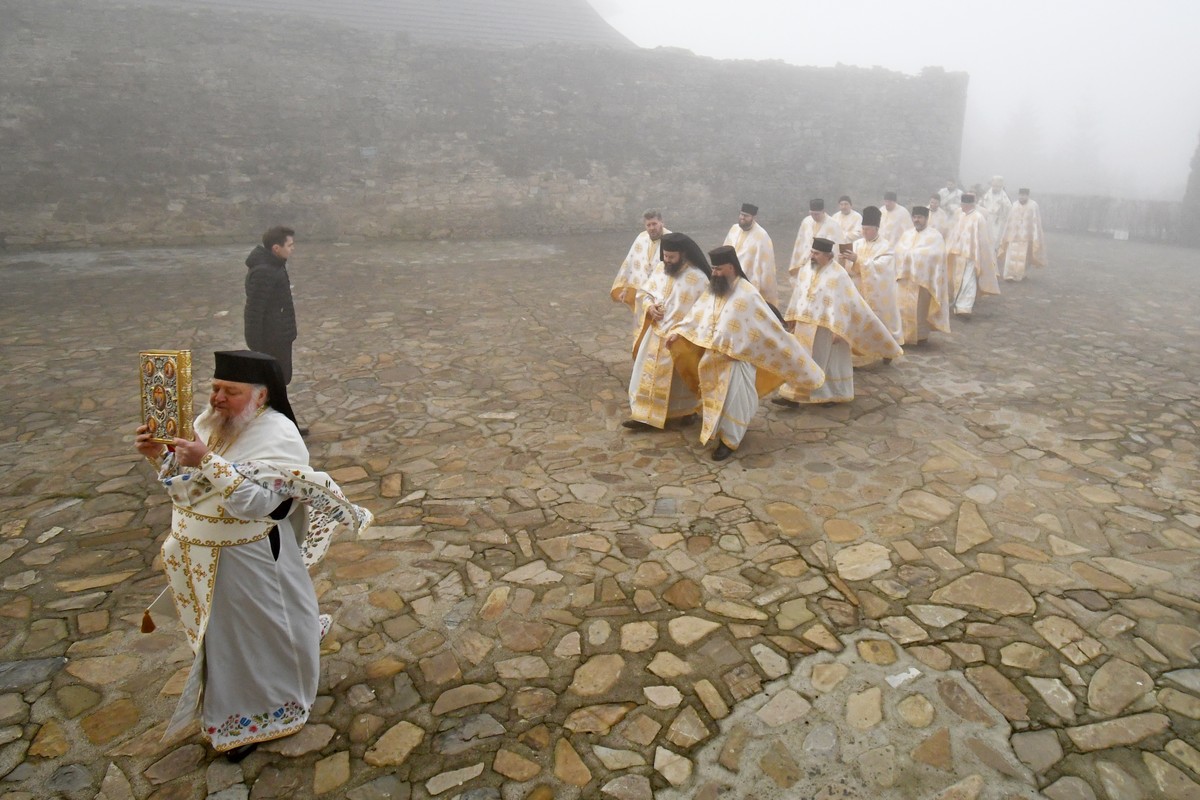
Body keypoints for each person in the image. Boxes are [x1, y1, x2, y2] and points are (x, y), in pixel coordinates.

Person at [134, 350, 371, 760]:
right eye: (215, 388)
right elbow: (189, 488)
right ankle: (234, 707)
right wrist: (160, 456)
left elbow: (262, 505)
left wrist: (207, 461)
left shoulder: (279, 434)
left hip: (251, 556)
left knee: (261, 637)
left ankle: (268, 712)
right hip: (207, 560)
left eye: (231, 391)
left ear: (260, 396)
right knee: (227, 642)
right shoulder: (209, 424)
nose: (218, 398)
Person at [667, 246, 823, 461]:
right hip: (713, 357)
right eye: (713, 269)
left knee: (735, 401)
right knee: (715, 398)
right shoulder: (715, 289)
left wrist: (739, 351)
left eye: (719, 269)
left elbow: (764, 328)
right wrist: (679, 331)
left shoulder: (748, 294)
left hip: (737, 361)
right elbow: (698, 315)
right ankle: (720, 432)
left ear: (731, 267)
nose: (714, 273)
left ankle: (730, 441)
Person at [774, 238, 902, 406]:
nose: (812, 256)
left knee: (825, 361)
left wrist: (840, 331)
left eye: (816, 253)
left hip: (827, 328)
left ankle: (829, 395)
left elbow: (845, 303)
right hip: (805, 324)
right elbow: (799, 292)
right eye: (812, 252)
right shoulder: (808, 267)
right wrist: (792, 317)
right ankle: (793, 395)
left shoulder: (838, 275)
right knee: (801, 359)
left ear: (828, 255)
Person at [623, 233, 710, 430]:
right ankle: (644, 416)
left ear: (683, 254)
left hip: (680, 338)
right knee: (644, 375)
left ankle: (687, 411)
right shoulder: (662, 268)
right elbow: (645, 292)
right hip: (656, 333)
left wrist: (682, 331)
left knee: (681, 381)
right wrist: (649, 307)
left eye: (672, 257)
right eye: (665, 255)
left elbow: (703, 313)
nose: (667, 260)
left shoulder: (698, 278)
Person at [245, 226, 307, 435]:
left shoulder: (275, 265)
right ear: (276, 248)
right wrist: (256, 344)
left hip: (280, 335)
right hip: (271, 339)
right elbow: (254, 310)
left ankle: (284, 427)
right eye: (289, 245)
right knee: (275, 384)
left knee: (279, 382)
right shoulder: (264, 271)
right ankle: (284, 429)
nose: (292, 249)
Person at [841, 205, 902, 349]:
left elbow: (882, 268)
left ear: (876, 229)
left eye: (867, 229)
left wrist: (858, 260)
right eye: (863, 229)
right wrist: (847, 259)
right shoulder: (856, 244)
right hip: (857, 289)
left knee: (879, 320)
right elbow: (850, 269)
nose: (864, 232)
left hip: (878, 293)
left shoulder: (886, 246)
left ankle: (886, 348)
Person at [894, 206, 951, 345]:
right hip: (904, 279)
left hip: (923, 280)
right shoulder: (907, 234)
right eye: (914, 217)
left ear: (926, 218)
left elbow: (937, 255)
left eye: (920, 217)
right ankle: (903, 336)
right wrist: (907, 255)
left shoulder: (935, 236)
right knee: (901, 308)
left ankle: (920, 337)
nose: (916, 220)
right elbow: (898, 250)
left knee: (919, 309)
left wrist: (914, 255)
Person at [945, 193, 1001, 316]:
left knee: (968, 281)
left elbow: (982, 239)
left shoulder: (978, 218)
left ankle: (965, 308)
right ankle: (957, 303)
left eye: (963, 204)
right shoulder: (961, 216)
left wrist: (979, 254)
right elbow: (956, 233)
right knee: (957, 279)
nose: (961, 206)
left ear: (969, 204)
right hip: (958, 253)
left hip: (971, 255)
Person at [611, 209, 669, 316]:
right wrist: (626, 289)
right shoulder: (641, 238)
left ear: (662, 222)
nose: (652, 228)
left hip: (662, 291)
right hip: (643, 290)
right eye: (648, 225)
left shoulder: (671, 240)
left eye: (654, 224)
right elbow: (632, 264)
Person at [722, 203, 778, 306]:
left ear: (754, 217)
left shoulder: (762, 236)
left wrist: (765, 286)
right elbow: (724, 249)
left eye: (746, 216)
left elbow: (767, 264)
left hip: (748, 280)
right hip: (729, 277)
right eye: (741, 214)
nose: (742, 218)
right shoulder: (734, 229)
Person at [788, 199, 844, 287]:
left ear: (823, 211)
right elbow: (800, 242)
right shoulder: (806, 221)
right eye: (812, 214)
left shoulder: (833, 225)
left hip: (823, 263)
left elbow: (836, 248)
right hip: (806, 260)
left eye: (817, 214)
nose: (814, 216)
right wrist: (797, 260)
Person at [997, 188, 1047, 281]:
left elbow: (1035, 221)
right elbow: (1009, 220)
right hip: (1013, 235)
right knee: (1011, 255)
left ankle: (1021, 274)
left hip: (1027, 235)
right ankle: (1009, 275)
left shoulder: (1033, 205)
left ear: (1028, 196)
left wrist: (1034, 234)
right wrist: (1007, 233)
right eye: (1020, 195)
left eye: (1024, 195)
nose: (1022, 197)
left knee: (1024, 257)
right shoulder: (1014, 205)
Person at [979, 175, 1013, 246]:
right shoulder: (986, 195)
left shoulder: (1004, 197)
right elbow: (980, 205)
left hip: (998, 221)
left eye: (998, 186)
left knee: (996, 238)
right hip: (986, 219)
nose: (995, 188)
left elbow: (1009, 208)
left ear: (1001, 187)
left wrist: (1003, 205)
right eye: (994, 186)